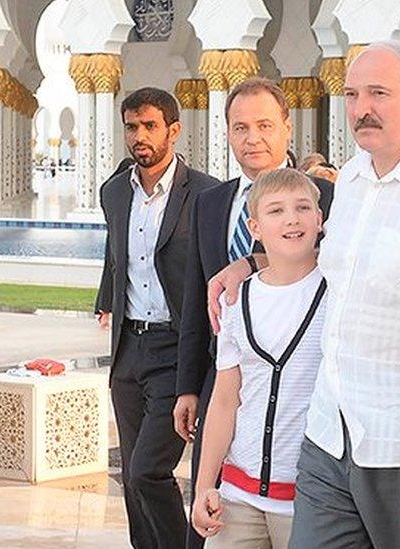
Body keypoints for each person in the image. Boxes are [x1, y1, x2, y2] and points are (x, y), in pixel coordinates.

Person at [207, 40, 400, 548]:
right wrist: (247, 263)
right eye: (352, 94)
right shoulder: (352, 181)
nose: (361, 108)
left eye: (379, 93)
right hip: (331, 443)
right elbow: (331, 267)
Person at [176, 77, 334, 549]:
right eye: (241, 127)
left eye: (266, 125)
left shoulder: (330, 199)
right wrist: (188, 386)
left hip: (302, 469)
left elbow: (313, 260)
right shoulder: (209, 203)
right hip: (230, 386)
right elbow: (196, 302)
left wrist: (250, 261)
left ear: (288, 127)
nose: (254, 137)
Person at [94, 87, 220, 549]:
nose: (139, 136)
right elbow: (117, 256)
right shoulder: (114, 191)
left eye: (149, 126)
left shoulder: (205, 193)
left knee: (150, 468)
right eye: (131, 126)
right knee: (131, 475)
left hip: (177, 348)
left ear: (173, 130)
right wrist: (106, 296)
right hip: (130, 351)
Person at [191, 168, 326, 548]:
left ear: (320, 219)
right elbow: (224, 400)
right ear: (254, 227)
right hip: (237, 496)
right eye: (276, 211)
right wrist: (204, 485)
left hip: (309, 500)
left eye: (302, 208)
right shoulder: (236, 299)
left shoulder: (337, 293)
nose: (291, 219)